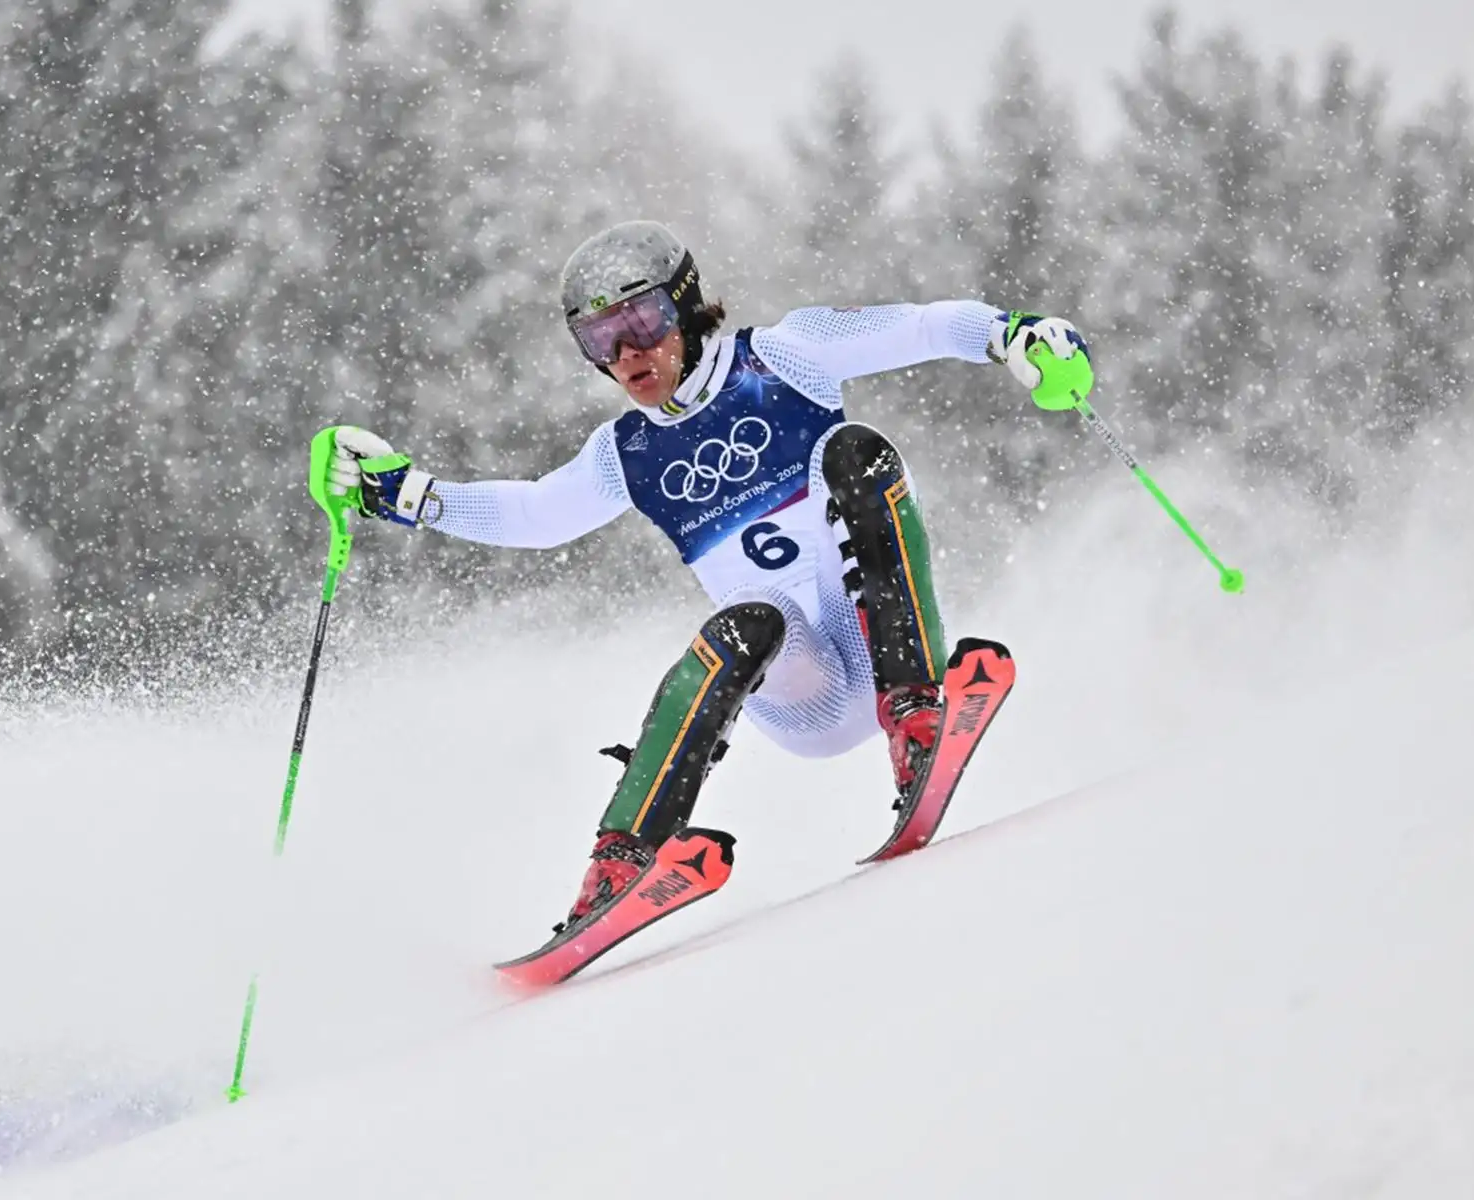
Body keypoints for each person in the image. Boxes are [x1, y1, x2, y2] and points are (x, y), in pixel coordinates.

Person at [315, 220, 1090, 933]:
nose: (627, 354)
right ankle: (620, 860)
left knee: (855, 453)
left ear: (686, 309)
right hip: (802, 691)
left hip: (876, 639)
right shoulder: (625, 452)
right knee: (750, 618)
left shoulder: (785, 355)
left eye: (642, 323)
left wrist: (1011, 334)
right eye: (599, 339)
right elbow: (536, 514)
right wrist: (404, 495)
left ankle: (917, 716)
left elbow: (921, 326)